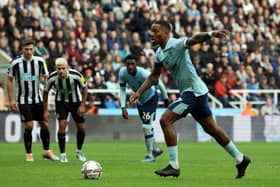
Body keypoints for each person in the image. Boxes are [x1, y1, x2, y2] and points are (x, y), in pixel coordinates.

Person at [129, 21, 251, 178]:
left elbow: (194, 39)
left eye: (155, 31)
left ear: (166, 33)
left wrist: (210, 34)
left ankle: (174, 165)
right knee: (211, 129)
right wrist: (138, 92)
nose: (151, 34)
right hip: (195, 92)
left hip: (193, 92)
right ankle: (240, 158)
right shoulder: (159, 53)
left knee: (165, 120)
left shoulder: (177, 44)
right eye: (151, 31)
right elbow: (153, 77)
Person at [6, 39, 59, 162]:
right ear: (22, 49)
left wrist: (53, 87)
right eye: (26, 49)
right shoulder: (15, 63)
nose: (29, 52)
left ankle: (46, 151)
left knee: (44, 123)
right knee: (29, 125)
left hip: (38, 99)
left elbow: (47, 78)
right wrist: (11, 99)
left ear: (34, 49)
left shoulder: (40, 61)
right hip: (23, 100)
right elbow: (9, 80)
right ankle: (29, 154)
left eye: (31, 49)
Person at [119, 54, 169, 162]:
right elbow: (122, 90)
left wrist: (165, 98)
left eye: (132, 64)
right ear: (125, 65)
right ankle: (155, 148)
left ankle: (150, 155)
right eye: (128, 64)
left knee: (146, 126)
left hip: (151, 99)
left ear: (136, 64)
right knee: (147, 126)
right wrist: (123, 107)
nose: (130, 67)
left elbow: (159, 83)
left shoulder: (143, 73)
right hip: (140, 101)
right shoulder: (122, 73)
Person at [43, 57, 88, 163]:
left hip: (76, 102)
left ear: (67, 67)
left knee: (81, 126)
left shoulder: (76, 75)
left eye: (63, 68)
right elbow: (45, 92)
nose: (61, 71)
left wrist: (82, 105)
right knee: (62, 125)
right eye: (59, 69)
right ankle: (63, 154)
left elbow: (85, 88)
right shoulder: (52, 78)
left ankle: (79, 151)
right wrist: (45, 110)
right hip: (61, 102)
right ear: (56, 68)